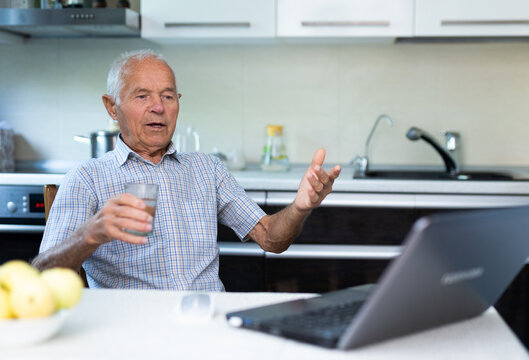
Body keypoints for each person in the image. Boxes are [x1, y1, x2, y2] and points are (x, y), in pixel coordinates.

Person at [33, 49, 341, 290]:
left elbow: (271, 239)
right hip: (132, 331)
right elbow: (42, 274)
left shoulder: (208, 169)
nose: (158, 107)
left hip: (205, 324)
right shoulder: (88, 178)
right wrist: (91, 234)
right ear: (112, 107)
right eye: (142, 96)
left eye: (168, 96)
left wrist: (300, 208)